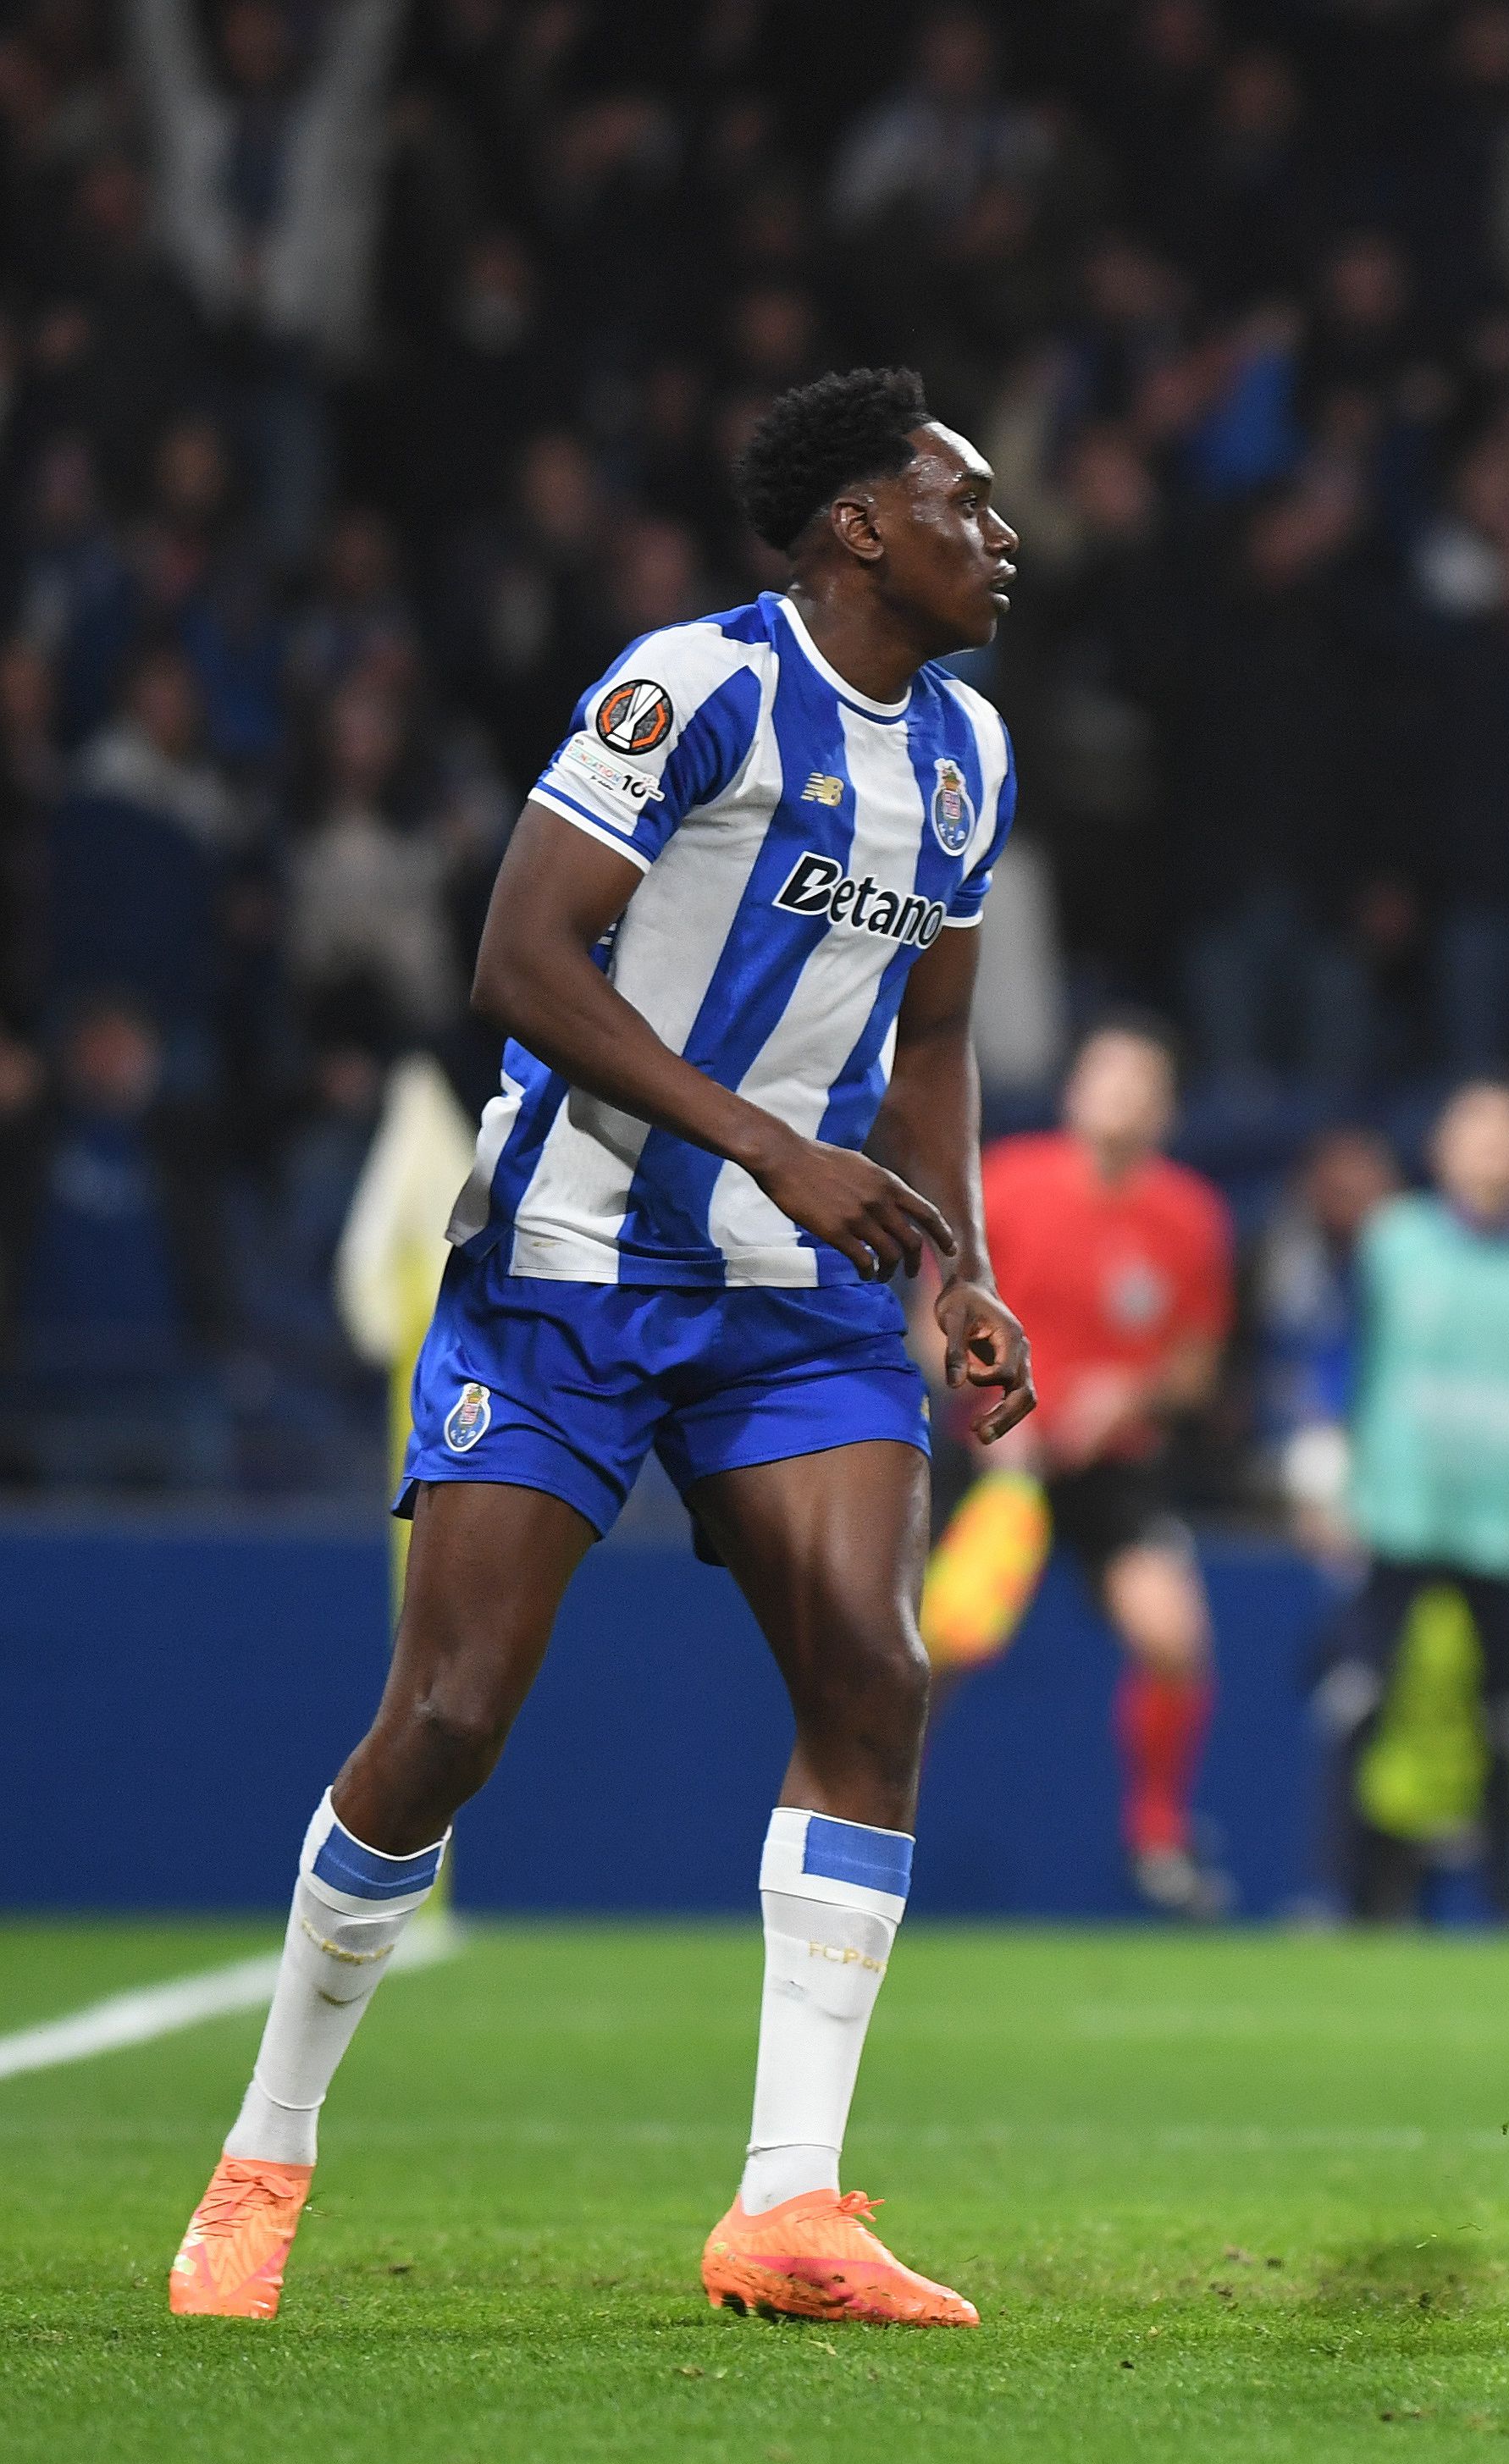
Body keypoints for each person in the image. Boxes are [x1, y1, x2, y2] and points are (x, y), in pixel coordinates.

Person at [165, 367, 1036, 2327]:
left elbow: (936, 1038)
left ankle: (786, 2205)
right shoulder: (693, 690)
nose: (1002, 537)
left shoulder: (971, 756)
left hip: (797, 1298)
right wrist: (764, 1146)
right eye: (962, 502)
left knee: (872, 1675)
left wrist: (954, 1269)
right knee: (452, 1719)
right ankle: (267, 2152)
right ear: (856, 532)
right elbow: (518, 957)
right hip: (570, 1261)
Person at [920, 1015, 1235, 1918]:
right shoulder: (1006, 1183)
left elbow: (1197, 1362)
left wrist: (1127, 1395)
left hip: (1113, 1466)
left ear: (1166, 1109)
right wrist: (996, 1408)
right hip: (994, 1455)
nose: (1124, 1097)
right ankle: (875, 1822)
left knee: (1174, 1638)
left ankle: (1158, 1835)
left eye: (1144, 1082)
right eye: (1109, 1076)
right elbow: (931, 1319)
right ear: (1074, 1090)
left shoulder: (1190, 1215)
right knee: (936, 1650)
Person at [1325, 1077, 1509, 1924]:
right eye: (1476, 1132)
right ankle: (1354, 1903)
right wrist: (1323, 1469)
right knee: (1366, 1706)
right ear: (1442, 1148)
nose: (1493, 1152)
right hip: (1399, 1517)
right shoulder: (1390, 1242)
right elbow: (1338, 1358)